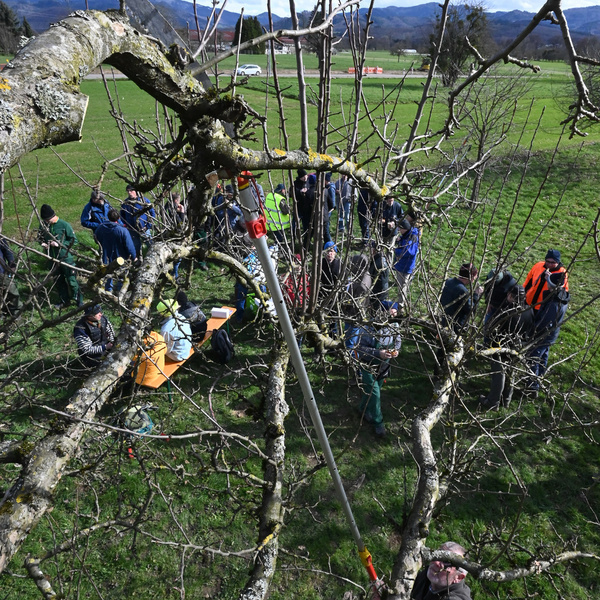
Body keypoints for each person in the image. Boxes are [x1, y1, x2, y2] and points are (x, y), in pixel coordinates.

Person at [480, 284, 534, 409]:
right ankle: (507, 399)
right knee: (511, 372)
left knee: (499, 374)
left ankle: (493, 402)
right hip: (518, 346)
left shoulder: (506, 312)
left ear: (510, 295)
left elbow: (490, 328)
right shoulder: (529, 310)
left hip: (500, 347)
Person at [353, 303, 401, 437]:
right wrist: (377, 353)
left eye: (394, 314)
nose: (393, 317)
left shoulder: (394, 326)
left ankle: (362, 409)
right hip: (367, 366)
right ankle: (378, 423)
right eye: (391, 314)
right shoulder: (368, 328)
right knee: (375, 394)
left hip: (384, 366)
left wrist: (396, 350)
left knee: (372, 392)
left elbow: (398, 341)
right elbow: (359, 348)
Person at [527, 271, 570, 394]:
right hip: (552, 334)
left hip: (544, 334)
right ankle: (539, 377)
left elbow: (544, 322)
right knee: (543, 356)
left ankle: (532, 386)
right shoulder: (561, 297)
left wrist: (533, 330)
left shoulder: (553, 303)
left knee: (533, 357)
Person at [38, 204, 82, 309]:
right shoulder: (43, 226)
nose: (47, 222)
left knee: (72, 281)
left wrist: (59, 244)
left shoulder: (64, 225)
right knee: (58, 281)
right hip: (52, 259)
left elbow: (74, 240)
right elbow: (40, 238)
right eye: (46, 220)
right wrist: (42, 243)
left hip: (65, 258)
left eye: (48, 220)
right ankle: (64, 301)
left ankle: (79, 301)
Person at [94, 209, 137, 292]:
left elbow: (96, 239)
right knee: (122, 276)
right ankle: (120, 292)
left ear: (108, 217)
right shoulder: (122, 230)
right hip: (120, 257)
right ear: (118, 218)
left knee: (107, 275)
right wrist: (134, 256)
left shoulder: (100, 228)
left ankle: (107, 292)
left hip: (105, 256)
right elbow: (129, 245)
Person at [440, 263, 484, 332]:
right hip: (455, 327)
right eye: (474, 277)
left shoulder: (448, 282)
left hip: (444, 320)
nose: (474, 279)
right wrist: (476, 295)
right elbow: (471, 310)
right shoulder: (462, 291)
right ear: (471, 277)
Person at [120, 184, 156, 256]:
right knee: (136, 246)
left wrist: (147, 226)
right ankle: (139, 259)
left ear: (136, 191)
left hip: (144, 229)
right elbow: (122, 216)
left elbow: (152, 214)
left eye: (131, 190)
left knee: (150, 244)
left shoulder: (144, 201)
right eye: (128, 191)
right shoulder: (126, 203)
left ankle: (153, 257)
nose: (129, 192)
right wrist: (127, 226)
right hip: (132, 230)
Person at [393, 218, 420, 308]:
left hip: (405, 267)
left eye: (400, 229)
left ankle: (401, 306)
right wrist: (400, 240)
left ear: (404, 228)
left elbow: (409, 252)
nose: (399, 230)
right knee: (402, 286)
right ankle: (402, 302)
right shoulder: (407, 235)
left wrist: (396, 250)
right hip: (402, 265)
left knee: (402, 287)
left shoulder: (412, 237)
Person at [0, 239, 22, 316]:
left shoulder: (1, 238)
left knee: (11, 291)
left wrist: (12, 263)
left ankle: (16, 310)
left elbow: (7, 251)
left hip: (1, 271)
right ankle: (2, 311)